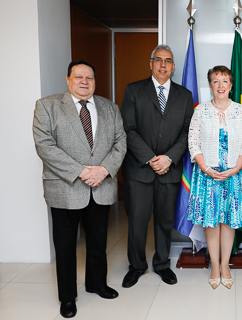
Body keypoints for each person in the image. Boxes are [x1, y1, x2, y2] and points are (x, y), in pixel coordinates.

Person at [33, 61, 126, 318]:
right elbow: (45, 146)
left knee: (98, 241)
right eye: (79, 77)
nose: (85, 82)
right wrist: (81, 171)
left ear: (95, 81)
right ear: (68, 79)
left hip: (101, 185)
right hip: (65, 187)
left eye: (90, 77)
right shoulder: (47, 106)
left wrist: (104, 169)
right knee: (65, 246)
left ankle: (97, 284)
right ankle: (67, 298)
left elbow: (120, 142)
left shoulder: (109, 107)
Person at [120, 44, 194, 288]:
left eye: (168, 61)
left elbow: (187, 132)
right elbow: (128, 129)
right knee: (138, 222)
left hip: (169, 170)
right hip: (139, 170)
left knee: (164, 221)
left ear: (173, 67)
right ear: (150, 63)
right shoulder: (133, 91)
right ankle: (137, 266)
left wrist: (169, 158)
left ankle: (162, 264)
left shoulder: (184, 95)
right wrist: (152, 158)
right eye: (158, 60)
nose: (163, 65)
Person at [186, 65, 242, 289]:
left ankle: (225, 265)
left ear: (231, 86)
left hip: (234, 176)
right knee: (212, 223)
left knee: (229, 223)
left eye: (225, 81)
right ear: (210, 85)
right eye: (216, 81)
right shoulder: (201, 111)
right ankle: (214, 265)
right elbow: (193, 142)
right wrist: (205, 168)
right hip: (207, 176)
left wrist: (235, 168)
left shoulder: (240, 111)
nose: (221, 86)